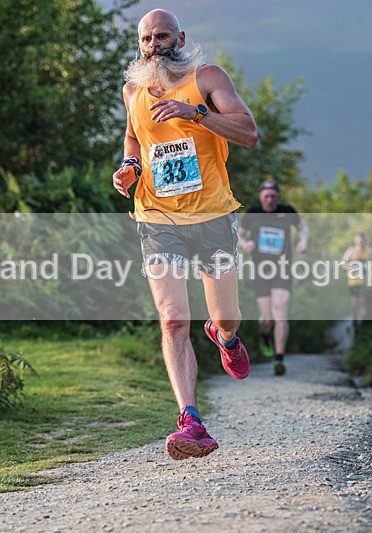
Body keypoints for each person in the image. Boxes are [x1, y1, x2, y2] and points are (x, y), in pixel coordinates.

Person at [111, 9, 258, 461]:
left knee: (226, 316)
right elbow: (134, 137)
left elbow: (248, 133)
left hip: (212, 215)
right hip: (157, 218)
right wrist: (130, 166)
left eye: (162, 36)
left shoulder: (207, 77)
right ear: (140, 44)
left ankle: (225, 336)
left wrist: (195, 113)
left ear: (180, 37)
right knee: (173, 319)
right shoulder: (133, 90)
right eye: (147, 38)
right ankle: (190, 420)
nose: (155, 44)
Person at [237, 180, 307, 376]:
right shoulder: (252, 213)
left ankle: (279, 358)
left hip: (282, 268)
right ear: (261, 197)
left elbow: (302, 229)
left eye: (273, 196)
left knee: (280, 310)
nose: (270, 199)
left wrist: (303, 241)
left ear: (278, 197)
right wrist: (245, 244)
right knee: (267, 318)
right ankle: (264, 335)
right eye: (266, 196)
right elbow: (239, 235)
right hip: (260, 270)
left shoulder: (287, 211)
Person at [341, 233, 372, 329]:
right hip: (353, 281)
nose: (360, 242)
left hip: (365, 281)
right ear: (355, 241)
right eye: (358, 240)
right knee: (355, 303)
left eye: (362, 240)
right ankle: (354, 319)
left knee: (363, 301)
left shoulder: (368, 251)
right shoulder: (351, 251)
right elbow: (343, 264)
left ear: (364, 241)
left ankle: (363, 321)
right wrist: (350, 268)